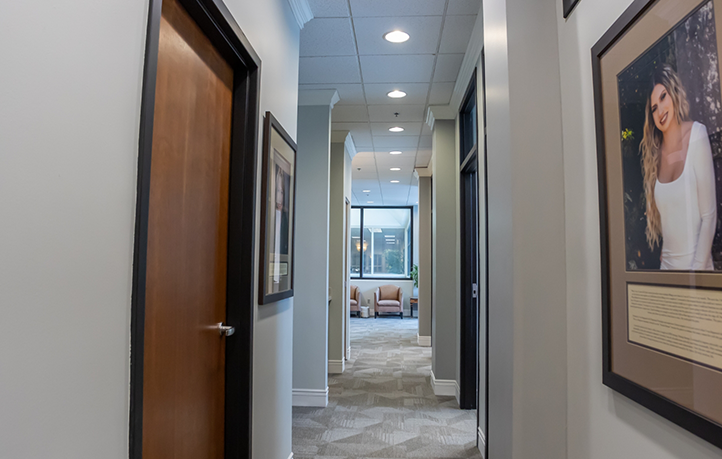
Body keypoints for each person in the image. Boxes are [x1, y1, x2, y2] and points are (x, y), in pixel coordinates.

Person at [640, 64, 717, 270]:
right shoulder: (655, 155)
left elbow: (709, 216)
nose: (660, 111)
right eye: (654, 108)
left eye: (663, 97)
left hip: (698, 276)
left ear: (673, 93)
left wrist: (695, 278)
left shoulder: (697, 136)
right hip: (667, 274)